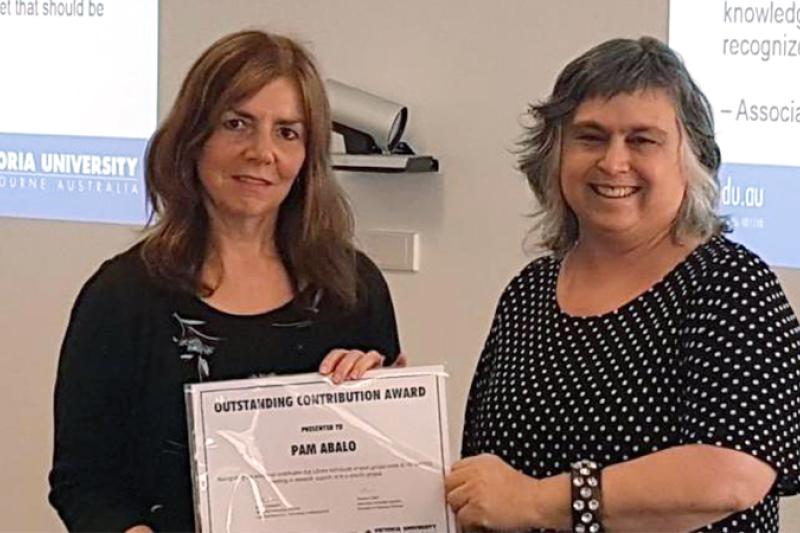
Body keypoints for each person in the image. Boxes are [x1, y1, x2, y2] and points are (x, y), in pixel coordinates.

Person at [49, 30, 402, 532]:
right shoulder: (122, 295)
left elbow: (383, 476)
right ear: (193, 138)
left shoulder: (353, 288)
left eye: (287, 132)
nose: (262, 152)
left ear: (308, 157)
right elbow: (83, 481)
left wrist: (385, 401)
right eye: (237, 124)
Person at [446, 36, 800, 532]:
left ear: (690, 159)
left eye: (642, 140)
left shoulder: (731, 285)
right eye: (590, 138)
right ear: (554, 154)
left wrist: (536, 501)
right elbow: (483, 481)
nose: (613, 163)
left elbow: (732, 475)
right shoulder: (529, 293)